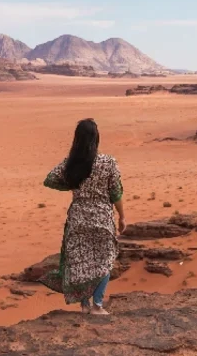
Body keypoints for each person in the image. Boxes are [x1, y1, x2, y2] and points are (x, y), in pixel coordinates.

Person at [39, 118, 125, 315]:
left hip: (78, 218)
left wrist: (71, 184)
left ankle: (84, 306)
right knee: (105, 260)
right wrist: (122, 217)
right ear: (96, 139)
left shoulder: (71, 164)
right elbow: (116, 193)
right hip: (102, 218)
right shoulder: (108, 163)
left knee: (81, 262)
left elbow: (50, 179)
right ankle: (97, 305)